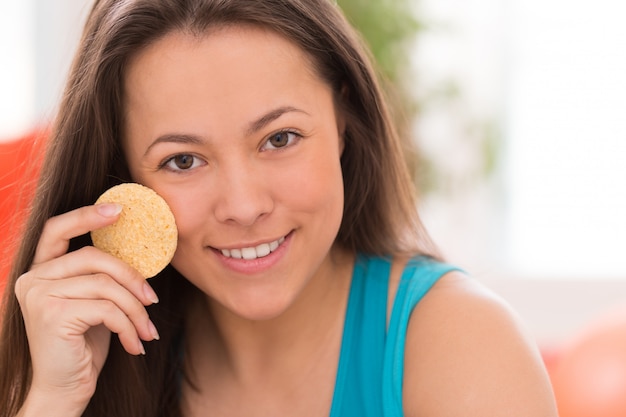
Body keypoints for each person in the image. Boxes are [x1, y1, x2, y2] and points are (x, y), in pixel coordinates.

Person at [0, 0, 558, 416]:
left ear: (343, 119)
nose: (244, 206)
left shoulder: (465, 351)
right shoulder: (84, 363)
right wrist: (51, 400)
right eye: (183, 161)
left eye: (280, 138)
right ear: (123, 179)